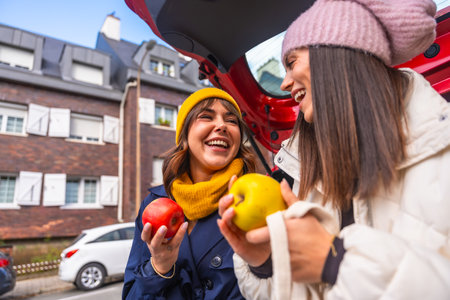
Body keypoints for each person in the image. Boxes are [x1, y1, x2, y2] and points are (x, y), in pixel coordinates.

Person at [218, 0, 450, 299]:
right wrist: (268, 263)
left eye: (291, 62)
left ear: (334, 52)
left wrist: (338, 263)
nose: (286, 82)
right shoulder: (311, 179)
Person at [123, 87, 256, 299]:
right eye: (206, 116)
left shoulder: (254, 197)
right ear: (184, 135)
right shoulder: (154, 203)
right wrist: (158, 268)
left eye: (231, 121)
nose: (221, 125)